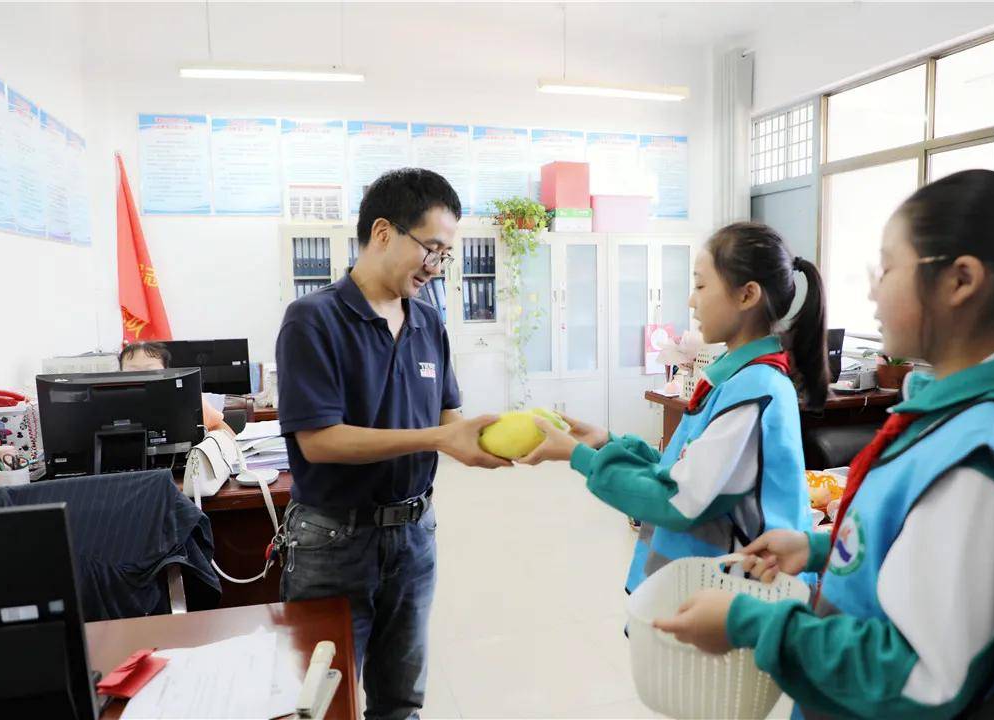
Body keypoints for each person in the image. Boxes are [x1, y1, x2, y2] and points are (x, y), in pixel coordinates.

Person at [654, 170, 994, 718]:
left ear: (961, 280)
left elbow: (921, 676)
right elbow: (926, 559)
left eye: (888, 266)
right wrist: (821, 549)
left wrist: (747, 622)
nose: (872, 287)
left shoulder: (979, 458)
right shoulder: (972, 420)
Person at [274, 168, 509, 720]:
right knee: (321, 705)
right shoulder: (313, 320)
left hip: (414, 536)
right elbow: (320, 441)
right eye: (431, 248)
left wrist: (510, 435)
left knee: (401, 701)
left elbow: (450, 417)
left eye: (445, 255)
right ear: (383, 232)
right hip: (333, 542)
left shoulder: (429, 322)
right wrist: (441, 437)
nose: (437, 266)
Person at [522, 222, 828, 592]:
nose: (691, 301)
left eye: (700, 285)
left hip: (736, 600)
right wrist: (605, 443)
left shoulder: (754, 390)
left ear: (747, 295)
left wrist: (579, 456)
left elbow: (679, 499)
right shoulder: (738, 380)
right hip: (715, 596)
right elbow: (684, 468)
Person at [118, 341, 234, 436]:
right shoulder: (108, 402)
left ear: (166, 371)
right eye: (132, 371)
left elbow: (223, 431)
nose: (141, 377)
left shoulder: (187, 398)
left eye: (150, 370)